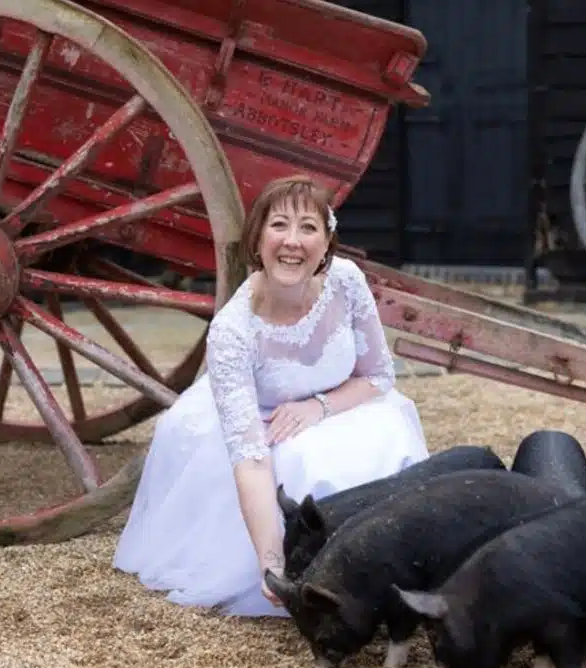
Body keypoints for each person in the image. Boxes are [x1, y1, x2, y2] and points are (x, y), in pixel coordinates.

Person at [112, 174, 430, 617]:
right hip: (261, 422)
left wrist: (319, 407)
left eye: (308, 228)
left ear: (327, 242)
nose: (293, 242)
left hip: (340, 404)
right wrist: (271, 562)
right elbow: (251, 459)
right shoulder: (232, 331)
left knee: (389, 434)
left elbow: (378, 375)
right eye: (279, 225)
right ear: (257, 237)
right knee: (303, 465)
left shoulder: (347, 282)